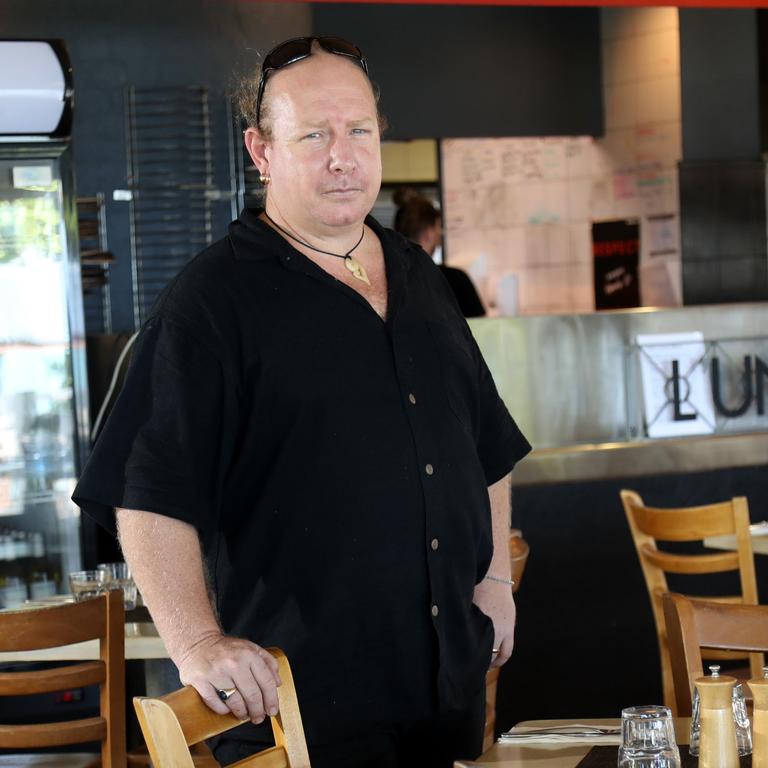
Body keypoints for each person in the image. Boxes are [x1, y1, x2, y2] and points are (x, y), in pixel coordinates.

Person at [72, 36, 530, 768]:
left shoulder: (418, 276)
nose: (341, 156)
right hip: (300, 708)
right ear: (261, 151)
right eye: (314, 135)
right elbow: (146, 491)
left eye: (358, 131)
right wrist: (196, 643)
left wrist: (494, 577)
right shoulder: (214, 300)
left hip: (444, 690)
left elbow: (486, 447)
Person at [393, 189, 486, 318]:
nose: (440, 234)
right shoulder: (454, 280)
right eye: (438, 227)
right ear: (429, 234)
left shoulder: (390, 281)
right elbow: (481, 328)